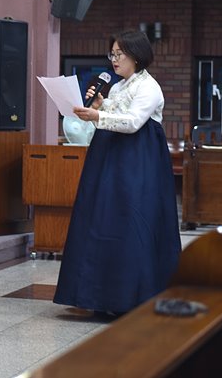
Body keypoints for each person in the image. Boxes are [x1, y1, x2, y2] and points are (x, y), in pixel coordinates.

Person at [53, 30, 181, 316]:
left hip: (138, 161)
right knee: (102, 219)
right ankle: (101, 297)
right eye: (112, 54)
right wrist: (100, 106)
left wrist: (98, 114)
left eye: (119, 54)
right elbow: (114, 114)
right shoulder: (118, 86)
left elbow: (133, 122)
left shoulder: (149, 87)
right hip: (110, 157)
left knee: (131, 221)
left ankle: (131, 298)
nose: (114, 60)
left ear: (136, 55)